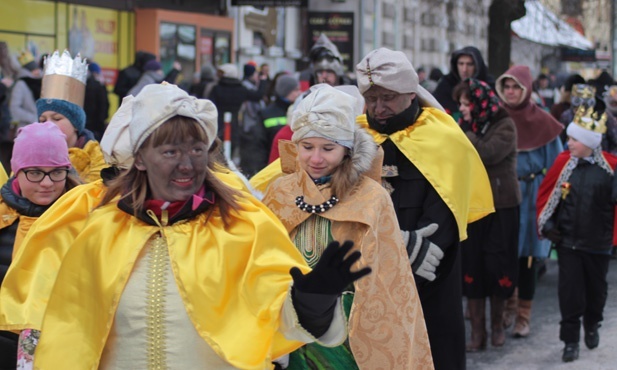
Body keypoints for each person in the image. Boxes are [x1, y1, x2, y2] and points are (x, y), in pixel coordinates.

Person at [6, 83, 370, 368]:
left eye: (197, 151)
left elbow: (274, 326)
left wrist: (312, 301)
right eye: (170, 152)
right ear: (141, 160)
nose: (186, 165)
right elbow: (65, 333)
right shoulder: (99, 230)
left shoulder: (244, 225)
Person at [262, 84, 432, 369]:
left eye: (328, 148)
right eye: (307, 147)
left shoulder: (370, 196)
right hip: (291, 323)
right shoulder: (280, 192)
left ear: (346, 149)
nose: (316, 159)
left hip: (350, 329)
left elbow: (388, 277)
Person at [354, 48, 494, 370]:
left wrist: (410, 258)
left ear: (409, 92)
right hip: (369, 273)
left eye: (387, 97)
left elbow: (444, 213)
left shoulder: (442, 137)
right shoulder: (355, 137)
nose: (379, 107)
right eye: (372, 99)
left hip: (430, 271)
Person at [537, 106, 617, 362]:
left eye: (574, 139)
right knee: (569, 293)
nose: (568, 143)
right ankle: (570, 341)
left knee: (596, 292)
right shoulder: (564, 165)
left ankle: (592, 323)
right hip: (568, 242)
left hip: (598, 244)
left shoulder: (610, 168)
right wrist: (548, 226)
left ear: (589, 142)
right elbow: (548, 197)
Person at [0, 122, 81, 369]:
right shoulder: (3, 216)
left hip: (56, 347)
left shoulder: (83, 219)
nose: (47, 183)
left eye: (56, 172)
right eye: (35, 172)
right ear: (17, 171)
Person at [495, 64, 564, 338]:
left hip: (533, 195)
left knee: (529, 258)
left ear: (526, 89)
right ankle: (508, 307)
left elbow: (557, 166)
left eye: (517, 87)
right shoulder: (497, 118)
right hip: (503, 195)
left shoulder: (544, 122)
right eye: (507, 87)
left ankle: (524, 315)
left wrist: (550, 202)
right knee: (505, 253)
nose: (511, 92)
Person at [453, 78, 521, 351]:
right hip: (473, 206)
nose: (462, 108)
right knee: (473, 265)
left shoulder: (504, 124)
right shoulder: (466, 127)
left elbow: (488, 153)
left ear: (480, 103)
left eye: (466, 103)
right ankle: (477, 334)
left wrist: (464, 133)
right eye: (460, 103)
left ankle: (497, 328)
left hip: (501, 205)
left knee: (498, 264)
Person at [36, 50, 106, 183]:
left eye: (57, 119)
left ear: (75, 124)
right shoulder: (29, 152)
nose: (48, 124)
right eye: (42, 120)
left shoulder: (97, 159)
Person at [241, 74, 300, 177]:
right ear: (286, 91)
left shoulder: (300, 112)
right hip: (273, 168)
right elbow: (257, 144)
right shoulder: (267, 113)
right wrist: (261, 171)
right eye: (295, 90)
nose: (298, 93)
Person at [208, 63, 267, 162]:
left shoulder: (216, 88)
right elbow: (258, 95)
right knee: (232, 146)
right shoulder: (241, 89)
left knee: (218, 146)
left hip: (218, 121)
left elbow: (210, 104)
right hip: (234, 122)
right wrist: (263, 81)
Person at [433, 46, 493, 121]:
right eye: (461, 64)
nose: (464, 69)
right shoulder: (445, 86)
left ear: (477, 66)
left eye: (469, 64)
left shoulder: (488, 87)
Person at [9, 51, 41, 128]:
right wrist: (33, 118)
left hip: (41, 126)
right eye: (34, 69)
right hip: (26, 127)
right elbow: (14, 108)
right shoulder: (20, 84)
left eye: (37, 68)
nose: (37, 72)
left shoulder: (41, 81)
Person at [84, 62, 109, 141]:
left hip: (86, 121)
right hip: (97, 124)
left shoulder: (83, 84)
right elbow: (104, 105)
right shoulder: (99, 85)